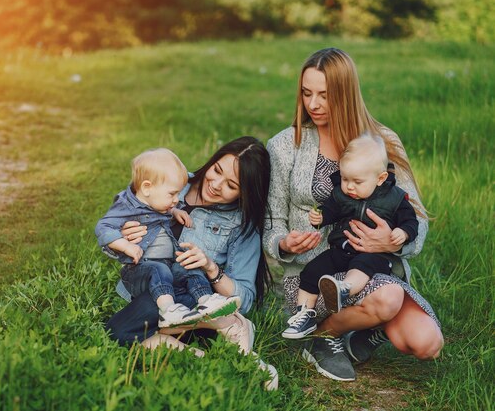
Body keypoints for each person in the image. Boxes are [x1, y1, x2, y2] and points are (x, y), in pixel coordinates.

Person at [263, 47, 443, 381]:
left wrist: (391, 241)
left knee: (427, 343)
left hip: (370, 272)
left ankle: (357, 331)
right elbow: (272, 223)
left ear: (346, 95)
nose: (313, 104)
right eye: (306, 93)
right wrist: (284, 242)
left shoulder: (383, 142)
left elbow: (416, 219)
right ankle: (323, 335)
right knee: (388, 300)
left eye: (325, 95)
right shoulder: (285, 145)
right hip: (311, 280)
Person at [105, 136, 278, 389]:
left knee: (119, 331)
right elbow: (114, 224)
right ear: (213, 160)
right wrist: (123, 236)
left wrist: (210, 268)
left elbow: (247, 297)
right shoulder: (171, 179)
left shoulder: (242, 225)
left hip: (188, 294)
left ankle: (223, 323)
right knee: (129, 332)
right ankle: (220, 358)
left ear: (245, 192)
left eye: (231, 185)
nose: (216, 184)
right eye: (216, 170)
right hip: (147, 288)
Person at [281, 133, 418, 339]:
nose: (349, 186)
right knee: (312, 270)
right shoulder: (342, 194)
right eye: (345, 179)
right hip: (342, 249)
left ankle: (344, 289)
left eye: (357, 181)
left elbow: (411, 221)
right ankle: (303, 315)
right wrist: (320, 218)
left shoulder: (395, 198)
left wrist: (402, 232)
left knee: (362, 265)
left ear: (380, 178)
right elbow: (331, 211)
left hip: (374, 255)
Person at [95, 148, 241, 328]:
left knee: (187, 267)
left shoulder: (157, 201)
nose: (176, 199)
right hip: (139, 270)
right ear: (147, 188)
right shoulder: (126, 206)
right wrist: (125, 245)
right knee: (159, 270)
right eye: (172, 195)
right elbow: (103, 227)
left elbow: (158, 208)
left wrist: (175, 211)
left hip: (167, 264)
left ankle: (207, 301)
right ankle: (168, 311)